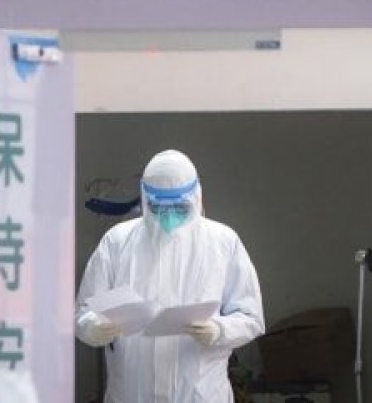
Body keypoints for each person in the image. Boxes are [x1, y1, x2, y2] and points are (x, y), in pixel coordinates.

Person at [75, 149, 264, 402]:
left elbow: (251, 317)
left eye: (179, 206)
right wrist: (93, 327)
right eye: (158, 207)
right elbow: (83, 311)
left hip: (200, 394)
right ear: (145, 199)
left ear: (196, 196)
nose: (168, 216)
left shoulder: (224, 243)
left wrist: (219, 330)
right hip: (132, 393)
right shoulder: (116, 242)